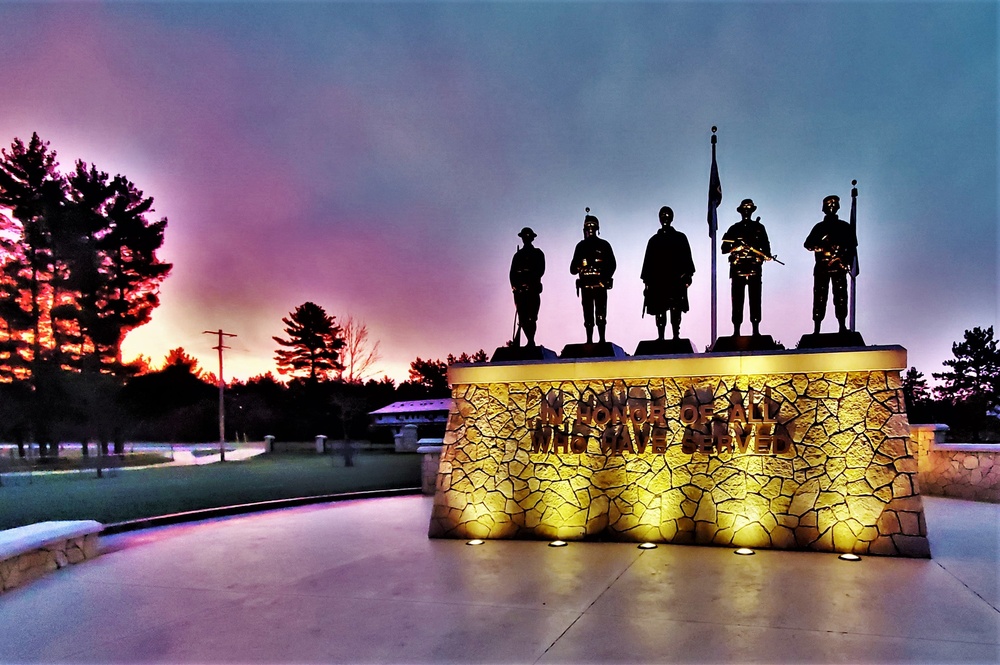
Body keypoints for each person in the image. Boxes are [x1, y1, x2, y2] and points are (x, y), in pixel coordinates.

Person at [804, 195, 857, 334]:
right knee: (820, 297)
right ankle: (816, 329)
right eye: (829, 205)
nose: (832, 207)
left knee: (840, 297)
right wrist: (821, 246)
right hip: (822, 266)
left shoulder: (845, 227)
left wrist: (844, 260)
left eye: (834, 204)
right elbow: (808, 244)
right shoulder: (819, 227)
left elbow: (851, 247)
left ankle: (842, 327)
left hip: (838, 266)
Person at [641, 206, 695, 340]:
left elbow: (687, 259)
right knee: (659, 310)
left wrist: (687, 276)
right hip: (658, 282)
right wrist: (647, 283)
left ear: (671, 218)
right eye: (662, 216)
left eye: (667, 215)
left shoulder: (680, 238)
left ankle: (676, 335)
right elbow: (648, 263)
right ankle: (661, 337)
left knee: (675, 309)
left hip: (676, 280)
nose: (665, 218)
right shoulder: (653, 241)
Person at [721, 199, 771, 336]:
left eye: (749, 209)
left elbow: (766, 248)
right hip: (738, 268)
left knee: (755, 300)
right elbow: (724, 248)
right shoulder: (734, 229)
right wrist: (736, 247)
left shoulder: (759, 228)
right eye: (744, 210)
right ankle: (736, 331)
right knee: (737, 301)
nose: (746, 212)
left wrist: (764, 255)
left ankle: (756, 330)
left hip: (754, 267)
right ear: (741, 212)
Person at [570, 210, 616, 344]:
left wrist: (605, 278)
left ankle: (601, 339)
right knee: (589, 314)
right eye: (588, 228)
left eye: (591, 228)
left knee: (599, 313)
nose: (589, 230)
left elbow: (612, 264)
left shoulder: (603, 245)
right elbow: (572, 269)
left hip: (599, 284)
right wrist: (581, 265)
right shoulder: (581, 246)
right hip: (586, 284)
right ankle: (590, 340)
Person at [509, 227, 545, 347]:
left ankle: (531, 340)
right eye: (524, 236)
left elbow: (540, 270)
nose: (526, 239)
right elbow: (512, 274)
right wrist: (515, 287)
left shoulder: (538, 254)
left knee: (532, 317)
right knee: (523, 318)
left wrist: (529, 280)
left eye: (528, 236)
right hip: (520, 292)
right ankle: (528, 340)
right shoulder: (517, 256)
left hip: (532, 290)